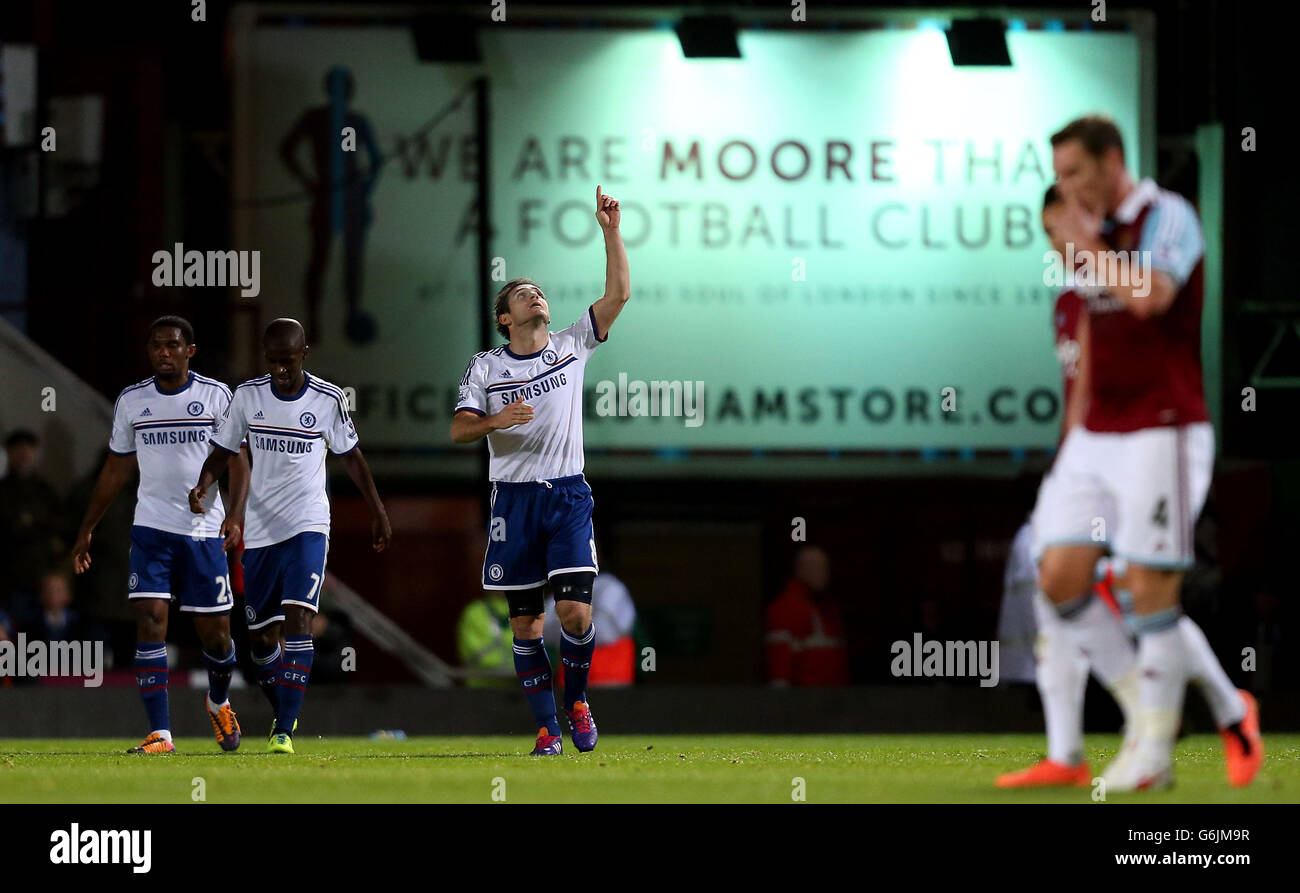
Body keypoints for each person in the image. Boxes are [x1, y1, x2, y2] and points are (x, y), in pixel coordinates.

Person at [1033, 116, 1261, 790]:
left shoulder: (1168, 216)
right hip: (1098, 432)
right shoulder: (1088, 245)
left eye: (1075, 172)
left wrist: (1084, 244)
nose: (1066, 188)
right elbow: (1092, 352)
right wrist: (1071, 442)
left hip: (1162, 425)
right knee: (1059, 575)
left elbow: (1151, 297)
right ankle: (1195, 705)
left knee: (1148, 587)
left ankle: (1153, 755)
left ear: (1112, 162)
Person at [450, 185, 628, 756]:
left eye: (539, 292)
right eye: (523, 295)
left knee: (575, 613)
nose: (535, 297)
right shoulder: (487, 366)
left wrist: (610, 230)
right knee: (525, 627)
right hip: (513, 501)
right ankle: (546, 727)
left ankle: (576, 700)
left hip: (568, 495)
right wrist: (497, 417)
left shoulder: (572, 343)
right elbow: (459, 430)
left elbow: (619, 294)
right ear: (505, 317)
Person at [191, 317, 391, 754]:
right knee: (262, 638)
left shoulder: (327, 399)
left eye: (288, 361)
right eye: (274, 361)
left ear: (304, 355)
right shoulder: (247, 397)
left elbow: (352, 458)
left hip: (308, 523)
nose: (280, 369)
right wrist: (206, 483)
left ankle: (283, 729)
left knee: (299, 620)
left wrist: (377, 510)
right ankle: (286, 705)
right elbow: (224, 451)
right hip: (261, 531)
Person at [71, 316, 251, 754]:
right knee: (151, 622)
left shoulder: (216, 396)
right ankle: (161, 734)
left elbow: (238, 460)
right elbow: (115, 469)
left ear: (190, 350)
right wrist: (87, 529)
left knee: (217, 637)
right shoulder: (133, 401)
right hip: (151, 528)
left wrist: (236, 515)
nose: (163, 353)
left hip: (203, 532)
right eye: (156, 346)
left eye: (172, 345)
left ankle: (219, 700)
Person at [279, 66, 383, 346]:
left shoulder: (356, 121)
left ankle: (350, 318)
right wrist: (309, 182)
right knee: (320, 261)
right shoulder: (314, 118)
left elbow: (376, 161)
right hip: (327, 197)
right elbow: (286, 149)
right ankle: (312, 323)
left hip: (350, 201)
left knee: (351, 263)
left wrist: (362, 191)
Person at [0, 430, 65, 620]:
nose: (24, 455)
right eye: (18, 450)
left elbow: (58, 528)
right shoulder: (3, 491)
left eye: (28, 449)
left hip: (43, 579)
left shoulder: (46, 492)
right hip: (10, 578)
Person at [765, 546, 849, 686]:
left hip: (832, 699)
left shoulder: (829, 609)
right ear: (800, 570)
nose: (823, 574)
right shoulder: (784, 609)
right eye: (816, 568)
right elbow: (779, 660)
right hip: (802, 700)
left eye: (824, 568)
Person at [543, 569, 638, 688]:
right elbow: (544, 629)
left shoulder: (611, 587)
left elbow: (604, 630)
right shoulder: (563, 589)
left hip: (611, 679)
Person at [456, 592, 515, 688]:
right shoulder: (475, 612)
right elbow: (478, 656)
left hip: (523, 692)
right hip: (483, 689)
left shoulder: (533, 610)